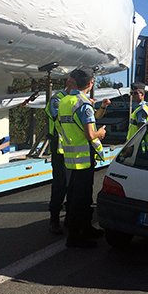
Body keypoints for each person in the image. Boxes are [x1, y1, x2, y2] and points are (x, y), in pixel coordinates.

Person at [58, 66, 107, 248]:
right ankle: (75, 237)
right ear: (90, 83)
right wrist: (100, 132)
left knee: (77, 197)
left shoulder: (65, 101)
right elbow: (89, 135)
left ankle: (85, 229)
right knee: (82, 199)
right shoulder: (83, 105)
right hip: (84, 158)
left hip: (71, 156)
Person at [44, 78, 75, 235]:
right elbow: (61, 119)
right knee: (60, 185)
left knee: (72, 186)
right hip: (61, 150)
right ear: (69, 83)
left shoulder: (75, 100)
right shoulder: (57, 99)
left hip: (74, 150)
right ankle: (54, 220)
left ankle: (69, 219)